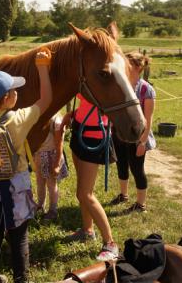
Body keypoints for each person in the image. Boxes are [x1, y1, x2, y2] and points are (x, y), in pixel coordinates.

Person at [0, 49, 53, 283]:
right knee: (19, 236)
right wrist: (42, 68)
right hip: (15, 188)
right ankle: (21, 279)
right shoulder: (18, 119)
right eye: (14, 90)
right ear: (8, 98)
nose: (17, 93)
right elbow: (46, 100)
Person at [63, 92, 119, 261]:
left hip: (93, 136)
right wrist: (73, 114)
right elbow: (86, 104)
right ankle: (88, 230)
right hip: (80, 129)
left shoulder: (104, 80)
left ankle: (110, 244)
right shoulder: (86, 77)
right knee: (81, 190)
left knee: (85, 194)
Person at [109, 52, 155, 213]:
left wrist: (142, 142)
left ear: (137, 67)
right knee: (121, 165)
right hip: (119, 133)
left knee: (137, 169)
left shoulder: (146, 89)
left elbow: (148, 120)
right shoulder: (122, 85)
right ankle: (123, 195)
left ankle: (141, 204)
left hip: (137, 137)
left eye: (127, 64)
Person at [34, 113, 68, 221]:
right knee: (39, 182)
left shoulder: (56, 120)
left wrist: (56, 164)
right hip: (39, 155)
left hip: (51, 156)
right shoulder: (39, 115)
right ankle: (40, 205)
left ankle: (53, 210)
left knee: (51, 184)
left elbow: (59, 144)